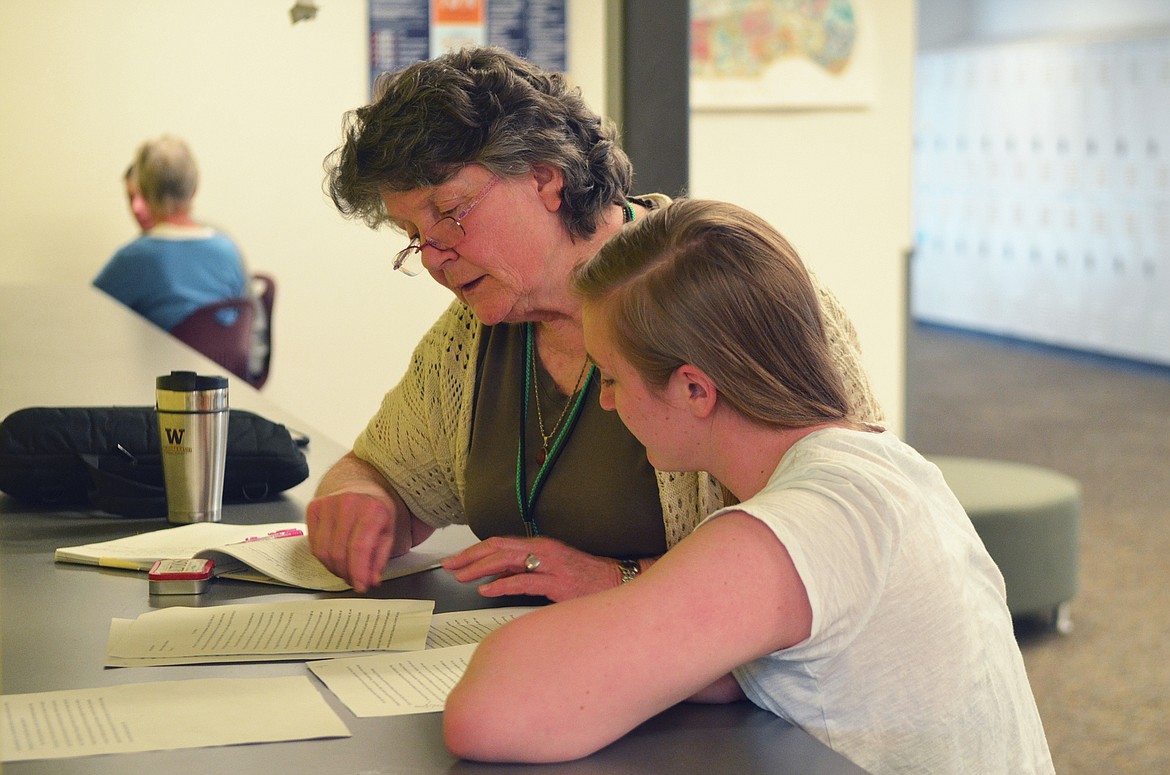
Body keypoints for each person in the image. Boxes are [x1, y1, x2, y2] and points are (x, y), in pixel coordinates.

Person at [443, 199, 1055, 773]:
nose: (605, 403)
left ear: (693, 390)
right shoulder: (880, 467)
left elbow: (490, 712)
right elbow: (739, 667)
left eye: (611, 378)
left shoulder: (798, 525)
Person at [307, 46, 883, 597]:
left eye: (450, 214)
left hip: (720, 689)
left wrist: (617, 580)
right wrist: (360, 495)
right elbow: (385, 473)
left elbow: (848, 538)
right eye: (413, 237)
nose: (433, 256)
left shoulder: (726, 288)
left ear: (544, 178)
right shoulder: (474, 332)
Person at [94, 135, 247, 333]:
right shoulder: (227, 250)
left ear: (145, 192)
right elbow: (246, 321)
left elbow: (91, 320)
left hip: (158, 364)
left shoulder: (134, 258)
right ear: (195, 186)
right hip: (220, 364)